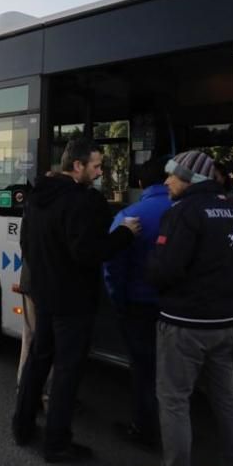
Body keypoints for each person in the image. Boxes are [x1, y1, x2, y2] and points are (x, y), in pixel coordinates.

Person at [12, 137, 141, 463]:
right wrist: (125, 233)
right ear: (78, 165)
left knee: (39, 360)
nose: (100, 172)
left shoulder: (38, 195)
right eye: (96, 165)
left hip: (45, 296)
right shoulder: (80, 202)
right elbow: (88, 253)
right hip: (72, 301)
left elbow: (25, 244)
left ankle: (22, 425)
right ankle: (56, 443)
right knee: (67, 372)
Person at [137, 150, 233, 466]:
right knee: (227, 398)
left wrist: (150, 267)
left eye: (172, 174)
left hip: (186, 324)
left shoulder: (183, 212)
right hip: (229, 323)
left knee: (173, 399)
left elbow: (164, 270)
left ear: (189, 177)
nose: (166, 181)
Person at [103, 155, 171, 448]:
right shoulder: (185, 211)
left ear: (140, 183)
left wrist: (118, 302)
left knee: (143, 369)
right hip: (177, 308)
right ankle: (176, 429)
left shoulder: (131, 216)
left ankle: (144, 429)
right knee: (171, 371)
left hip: (138, 305)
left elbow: (113, 267)